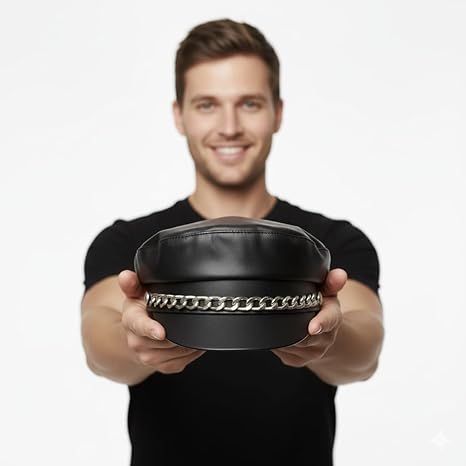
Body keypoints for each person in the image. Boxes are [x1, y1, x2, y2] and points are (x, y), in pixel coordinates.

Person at [81, 18, 384, 466]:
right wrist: (136, 343)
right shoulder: (128, 243)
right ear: (179, 115)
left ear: (277, 112)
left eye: (249, 104)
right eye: (207, 105)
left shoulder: (335, 241)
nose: (229, 127)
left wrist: (329, 339)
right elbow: (98, 345)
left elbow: (365, 353)